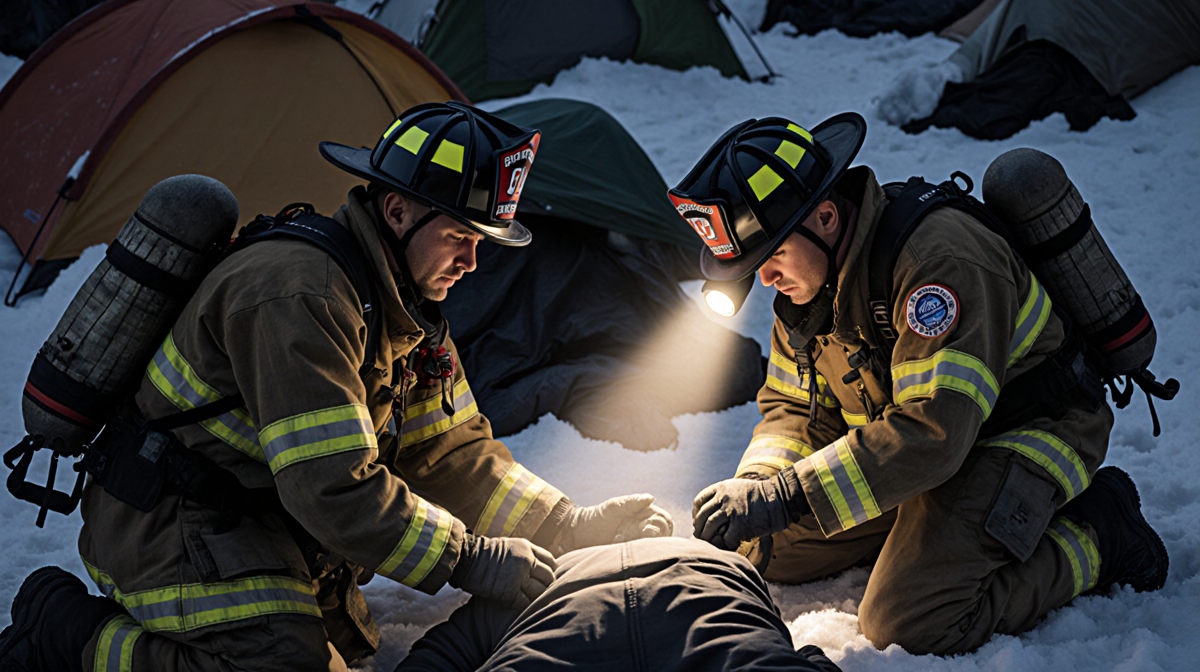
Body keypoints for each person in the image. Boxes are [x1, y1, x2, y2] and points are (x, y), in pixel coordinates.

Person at [0, 102, 672, 672]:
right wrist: (470, 559)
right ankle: (65, 629)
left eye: (482, 240)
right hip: (169, 524)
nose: (472, 261)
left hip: (260, 522)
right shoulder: (301, 296)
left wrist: (567, 525)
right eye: (460, 236)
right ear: (398, 209)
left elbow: (452, 456)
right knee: (281, 664)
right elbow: (333, 486)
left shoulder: (407, 310)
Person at [673, 112, 1169, 655]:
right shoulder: (806, 288)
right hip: (924, 456)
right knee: (764, 547)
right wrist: (758, 485)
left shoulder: (936, 267)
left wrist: (788, 494)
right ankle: (931, 537)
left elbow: (935, 430)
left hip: (1026, 434)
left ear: (826, 216)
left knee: (911, 620)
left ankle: (1102, 533)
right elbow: (792, 406)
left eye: (772, 259)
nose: (765, 280)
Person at [397, 536, 843, 672]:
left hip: (556, 627)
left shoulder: (532, 578)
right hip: (707, 588)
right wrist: (805, 655)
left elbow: (441, 653)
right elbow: (770, 629)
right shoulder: (722, 563)